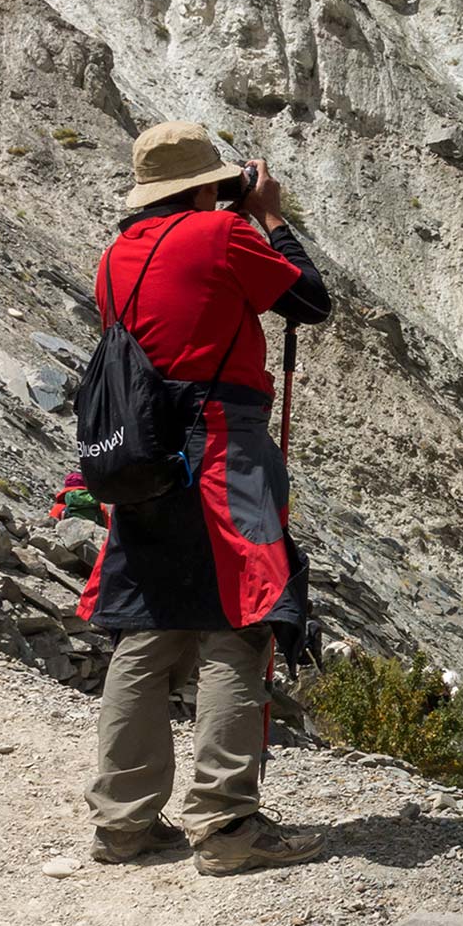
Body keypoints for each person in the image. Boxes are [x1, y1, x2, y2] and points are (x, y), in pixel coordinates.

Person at [80, 121, 332, 876]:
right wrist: (269, 214)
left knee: (149, 624)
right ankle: (225, 825)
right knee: (242, 619)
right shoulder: (223, 235)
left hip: (143, 456)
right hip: (222, 442)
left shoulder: (114, 257)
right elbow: (311, 302)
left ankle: (122, 824)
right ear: (202, 184)